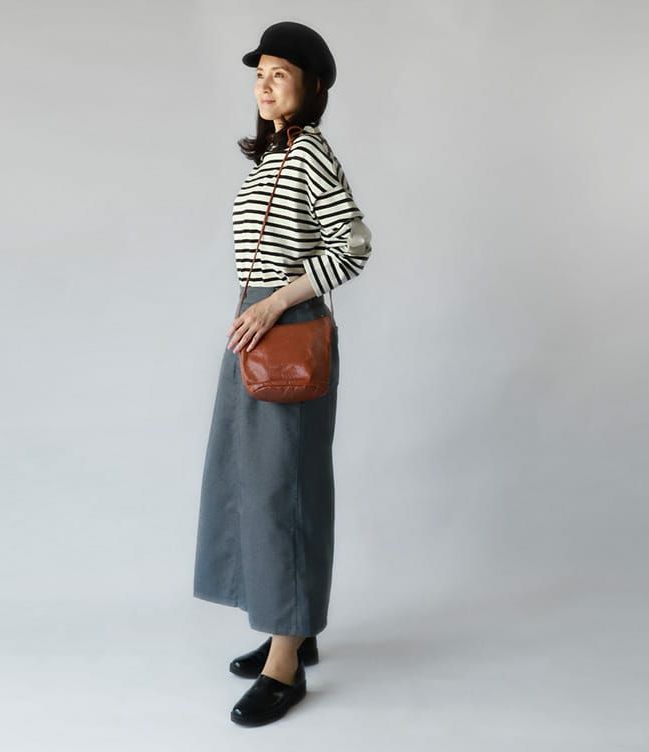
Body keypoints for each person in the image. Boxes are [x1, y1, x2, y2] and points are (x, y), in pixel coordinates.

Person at [192, 20, 373, 727]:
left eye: (279, 74)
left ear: (312, 86)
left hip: (285, 330)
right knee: (254, 483)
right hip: (257, 329)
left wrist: (273, 303)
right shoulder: (275, 156)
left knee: (283, 490)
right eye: (259, 75)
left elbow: (353, 246)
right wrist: (254, 309)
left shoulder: (310, 154)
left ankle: (286, 663)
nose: (263, 86)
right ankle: (290, 628)